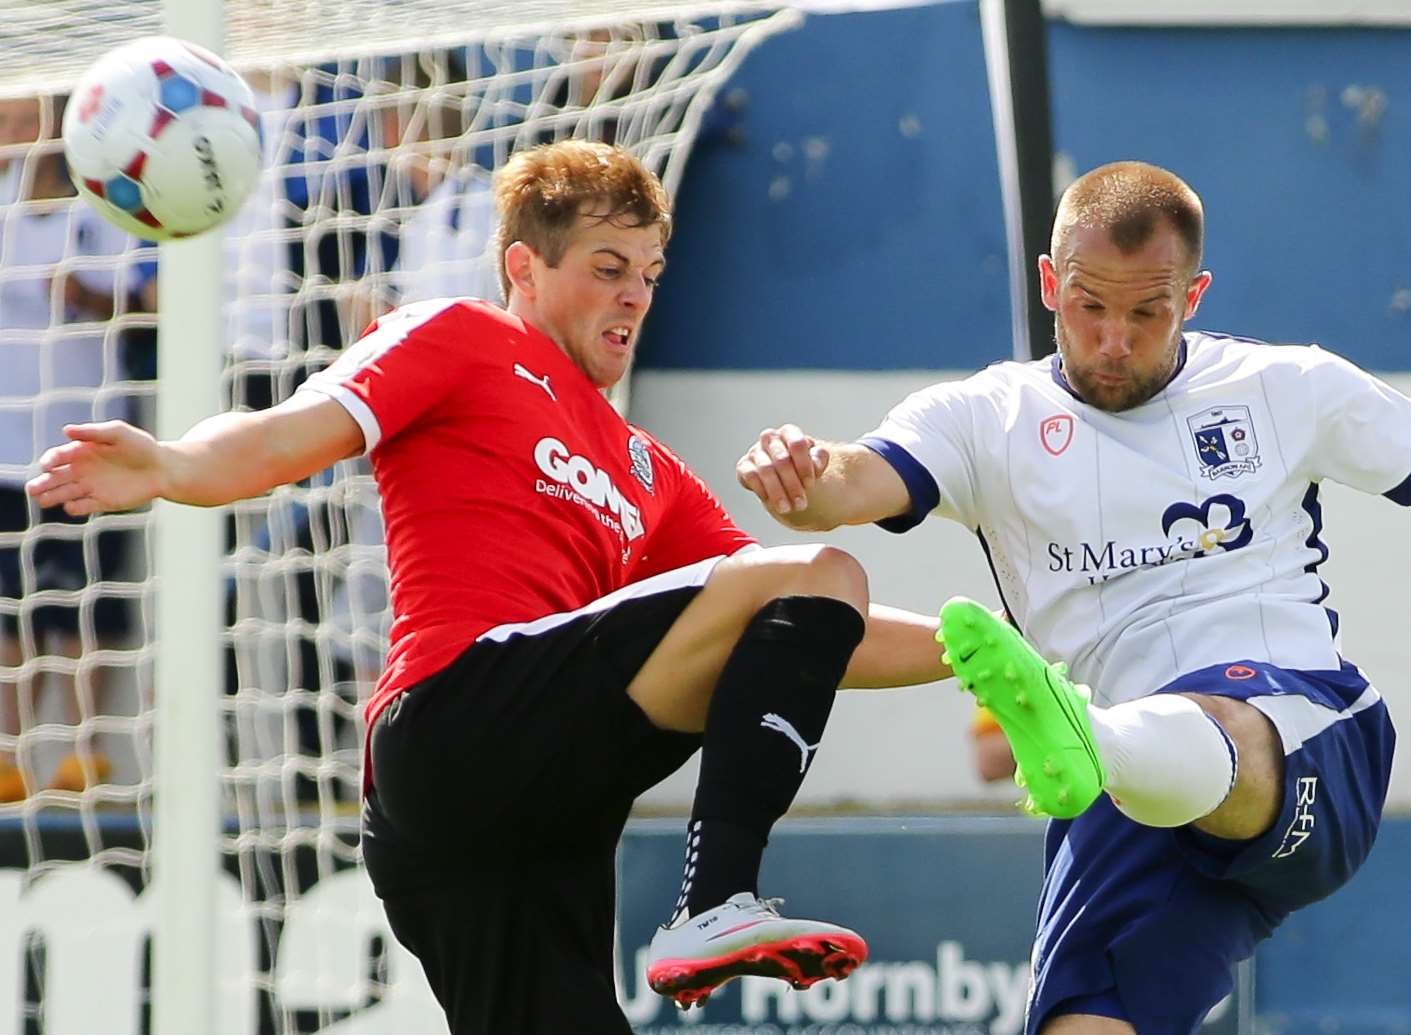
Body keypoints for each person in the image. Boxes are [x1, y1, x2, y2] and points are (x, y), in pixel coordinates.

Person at [25, 139, 952, 1031]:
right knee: (820, 566)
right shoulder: (460, 336)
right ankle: (716, 899)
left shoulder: (649, 470)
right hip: (456, 725)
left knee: (816, 581)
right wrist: (173, 464)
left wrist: (989, 650)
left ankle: (714, 908)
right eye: (606, 265)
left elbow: (814, 626)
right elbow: (282, 435)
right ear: (524, 267)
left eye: (649, 273)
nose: (634, 292)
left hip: (533, 825)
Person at [735, 160, 1404, 1035]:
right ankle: (1094, 738)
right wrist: (801, 470)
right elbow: (853, 481)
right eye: (1090, 307)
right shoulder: (984, 418)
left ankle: (1091, 730)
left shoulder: (1287, 387)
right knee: (1079, 1024)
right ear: (1050, 284)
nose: (1114, 340)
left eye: (1145, 311)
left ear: (1193, 296)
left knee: (1219, 717)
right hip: (1118, 795)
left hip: (1303, 730)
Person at [0, 94, 139, 801]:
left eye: (23, 124)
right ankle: (11, 757)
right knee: (13, 610)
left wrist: (87, 295)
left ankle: (87, 757)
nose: (12, 139)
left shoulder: (99, 208)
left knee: (85, 604)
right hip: (5, 446)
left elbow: (144, 297)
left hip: (83, 435)